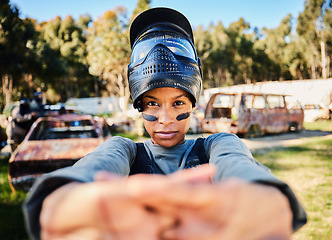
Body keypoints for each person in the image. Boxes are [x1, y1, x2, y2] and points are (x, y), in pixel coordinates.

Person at [23, 7, 306, 240]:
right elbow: (96, 166)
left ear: (193, 104)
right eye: (152, 104)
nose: (166, 119)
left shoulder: (217, 144)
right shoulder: (124, 149)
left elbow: (237, 164)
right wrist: (65, 199)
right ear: (139, 106)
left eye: (178, 103)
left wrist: (264, 199)